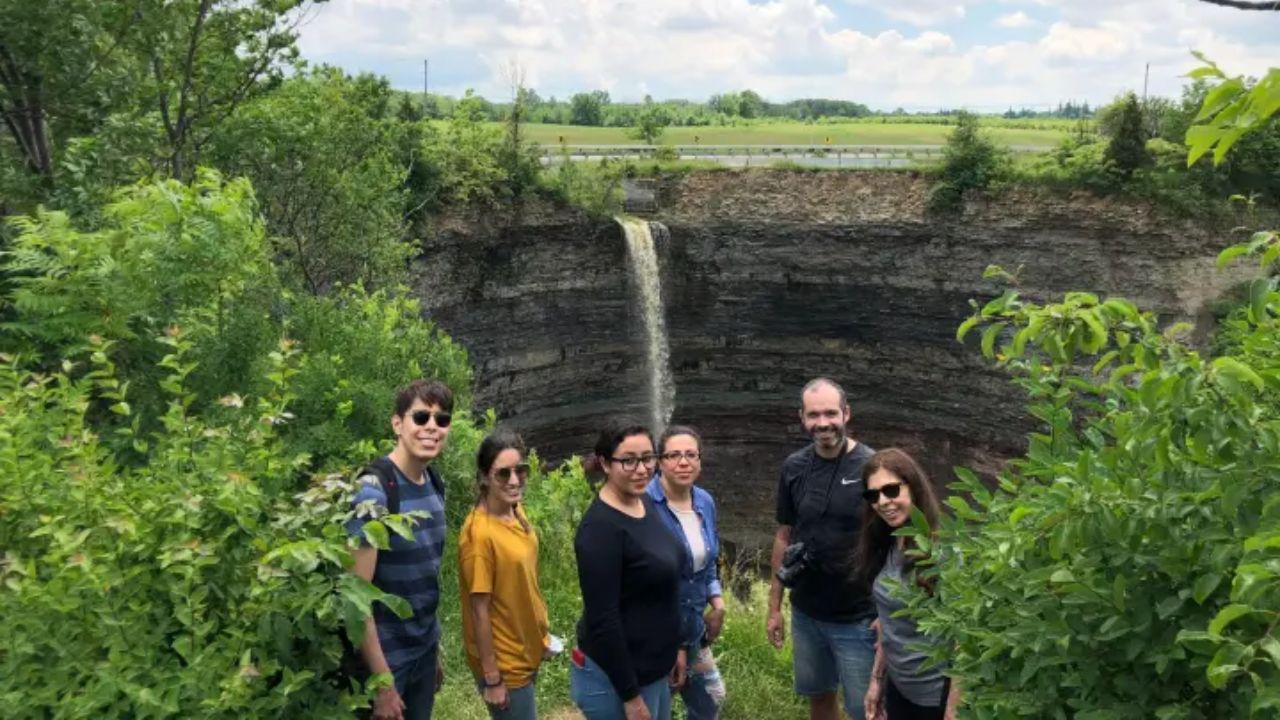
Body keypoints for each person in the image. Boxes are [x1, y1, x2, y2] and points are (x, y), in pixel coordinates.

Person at [768, 377, 878, 720]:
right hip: (806, 614)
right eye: (813, 415)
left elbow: (894, 542)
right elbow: (784, 535)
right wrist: (774, 606)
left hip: (858, 618)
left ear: (847, 413)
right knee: (819, 697)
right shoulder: (794, 467)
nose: (822, 423)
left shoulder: (871, 468)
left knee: (867, 710)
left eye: (831, 413)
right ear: (802, 417)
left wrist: (890, 614)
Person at [346, 379, 453, 720]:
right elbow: (355, 598)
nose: (432, 427)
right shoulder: (372, 494)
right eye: (421, 417)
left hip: (422, 651)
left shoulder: (434, 483)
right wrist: (381, 683)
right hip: (386, 662)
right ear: (397, 423)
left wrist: (431, 649)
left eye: (442, 419)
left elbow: (426, 576)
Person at [572, 418, 686, 720]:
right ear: (605, 464)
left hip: (653, 670)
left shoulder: (643, 502)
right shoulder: (599, 531)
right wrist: (631, 696)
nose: (642, 469)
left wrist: (676, 648)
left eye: (648, 458)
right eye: (629, 461)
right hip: (618, 681)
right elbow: (603, 620)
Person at [854, 449, 960, 720]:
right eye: (873, 495)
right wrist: (877, 681)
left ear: (912, 487)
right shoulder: (890, 541)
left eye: (891, 490)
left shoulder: (943, 553)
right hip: (899, 688)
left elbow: (964, 641)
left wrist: (953, 711)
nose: (883, 502)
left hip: (934, 697)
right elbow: (890, 622)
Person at [459, 431, 551, 720]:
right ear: (485, 477)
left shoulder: (514, 509)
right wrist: (492, 679)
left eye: (519, 471)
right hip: (506, 664)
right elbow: (479, 611)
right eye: (503, 474)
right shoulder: (479, 538)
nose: (514, 481)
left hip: (527, 646)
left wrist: (540, 636)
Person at [646, 425, 728, 719]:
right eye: (674, 455)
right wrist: (677, 645)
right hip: (657, 633)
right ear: (659, 461)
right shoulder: (645, 506)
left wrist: (717, 604)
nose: (684, 462)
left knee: (711, 699)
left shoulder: (704, 501)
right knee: (658, 706)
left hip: (694, 626)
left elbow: (707, 564)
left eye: (691, 455)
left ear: (700, 460)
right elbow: (651, 584)